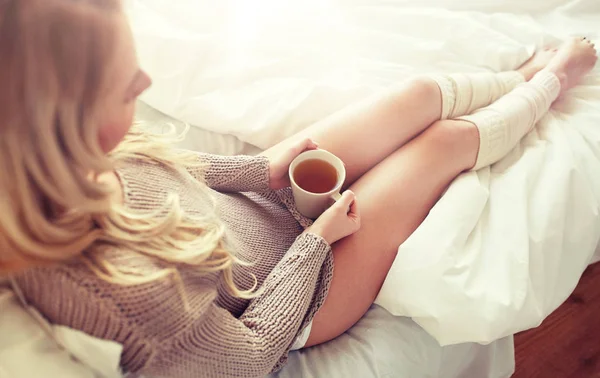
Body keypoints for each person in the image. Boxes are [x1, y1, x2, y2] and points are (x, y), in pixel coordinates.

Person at [0, 0, 596, 377]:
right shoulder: (121, 300)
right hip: (303, 294)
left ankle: (520, 78)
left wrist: (265, 169)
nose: (147, 82)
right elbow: (250, 353)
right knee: (439, 145)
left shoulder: (72, 159)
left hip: (261, 208)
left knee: (416, 96)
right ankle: (551, 85)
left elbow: (185, 175)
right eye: (127, 86)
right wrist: (316, 241)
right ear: (66, 121)